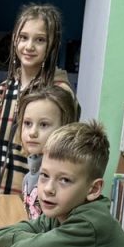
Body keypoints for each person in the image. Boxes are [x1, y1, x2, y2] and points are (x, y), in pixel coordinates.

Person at [0, 3, 75, 196]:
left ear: (52, 46)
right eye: (23, 37)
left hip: (37, 199)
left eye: (40, 40)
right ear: (14, 40)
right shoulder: (0, 93)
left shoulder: (60, 94)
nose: (29, 46)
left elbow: (66, 154)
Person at [18, 84, 79, 218]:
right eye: (27, 123)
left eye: (44, 124)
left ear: (65, 127)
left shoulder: (66, 182)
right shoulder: (29, 177)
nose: (32, 132)